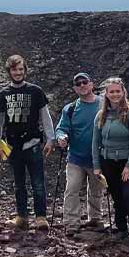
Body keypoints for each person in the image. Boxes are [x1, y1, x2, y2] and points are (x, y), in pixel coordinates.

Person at [0, 54, 55, 231]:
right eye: (14, 69)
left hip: (33, 144)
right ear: (9, 72)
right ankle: (22, 217)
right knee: (19, 184)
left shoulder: (36, 91)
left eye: (21, 69)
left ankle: (41, 217)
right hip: (12, 146)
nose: (18, 73)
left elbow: (45, 116)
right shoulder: (3, 94)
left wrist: (51, 138)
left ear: (25, 70)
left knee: (38, 183)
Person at [92, 77, 129, 244]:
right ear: (106, 94)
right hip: (108, 162)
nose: (115, 94)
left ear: (123, 93)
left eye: (118, 91)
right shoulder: (101, 115)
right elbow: (96, 142)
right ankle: (122, 229)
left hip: (126, 161)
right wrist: (96, 166)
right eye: (111, 92)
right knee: (116, 196)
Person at [55, 71, 104, 236]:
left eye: (85, 82)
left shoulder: (105, 104)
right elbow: (61, 128)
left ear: (92, 84)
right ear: (75, 89)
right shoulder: (70, 109)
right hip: (76, 157)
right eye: (78, 84)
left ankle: (95, 218)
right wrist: (61, 136)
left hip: (98, 157)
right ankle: (71, 223)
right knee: (72, 188)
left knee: (96, 189)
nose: (82, 85)